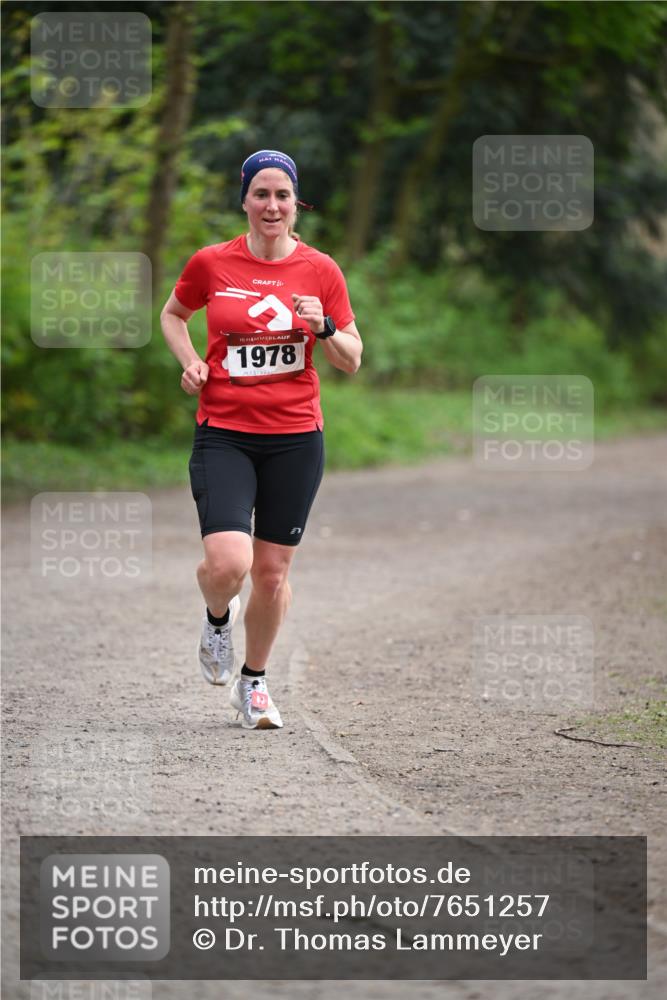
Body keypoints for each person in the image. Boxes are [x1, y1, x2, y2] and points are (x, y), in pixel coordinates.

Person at [160, 149, 363, 730]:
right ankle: (217, 617)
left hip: (296, 438)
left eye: (282, 196)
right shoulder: (211, 263)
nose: (272, 206)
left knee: (272, 574)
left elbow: (351, 358)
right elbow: (173, 315)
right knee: (228, 563)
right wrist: (193, 362)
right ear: (245, 200)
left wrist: (322, 326)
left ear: (296, 204)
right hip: (224, 431)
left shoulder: (321, 271)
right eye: (261, 194)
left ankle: (253, 684)